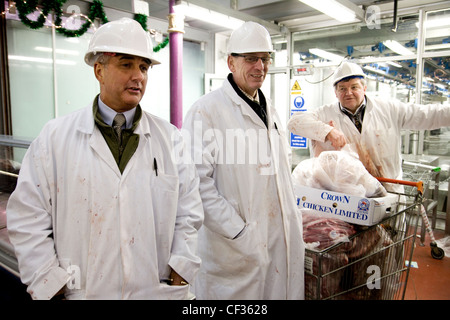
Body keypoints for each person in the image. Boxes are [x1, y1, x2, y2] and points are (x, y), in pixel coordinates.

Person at [6, 18, 203, 300]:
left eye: (144, 67)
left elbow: (189, 212)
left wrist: (182, 267)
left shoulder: (170, 139)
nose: (139, 76)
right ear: (99, 70)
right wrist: (49, 282)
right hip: (84, 291)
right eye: (126, 64)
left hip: (155, 290)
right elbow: (27, 217)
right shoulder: (54, 138)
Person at [182, 21, 304, 300]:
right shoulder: (206, 111)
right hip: (234, 250)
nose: (259, 66)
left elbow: (280, 173)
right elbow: (195, 184)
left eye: (265, 58)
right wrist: (238, 231)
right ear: (230, 62)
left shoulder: (270, 109)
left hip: (278, 239)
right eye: (250, 59)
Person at [288, 61, 450, 193]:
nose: (348, 93)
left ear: (364, 89)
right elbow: (294, 122)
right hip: (348, 195)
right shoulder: (325, 113)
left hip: (389, 191)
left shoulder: (389, 109)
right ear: (336, 93)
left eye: (354, 87)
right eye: (342, 89)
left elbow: (428, 115)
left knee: (390, 233)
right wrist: (327, 131)